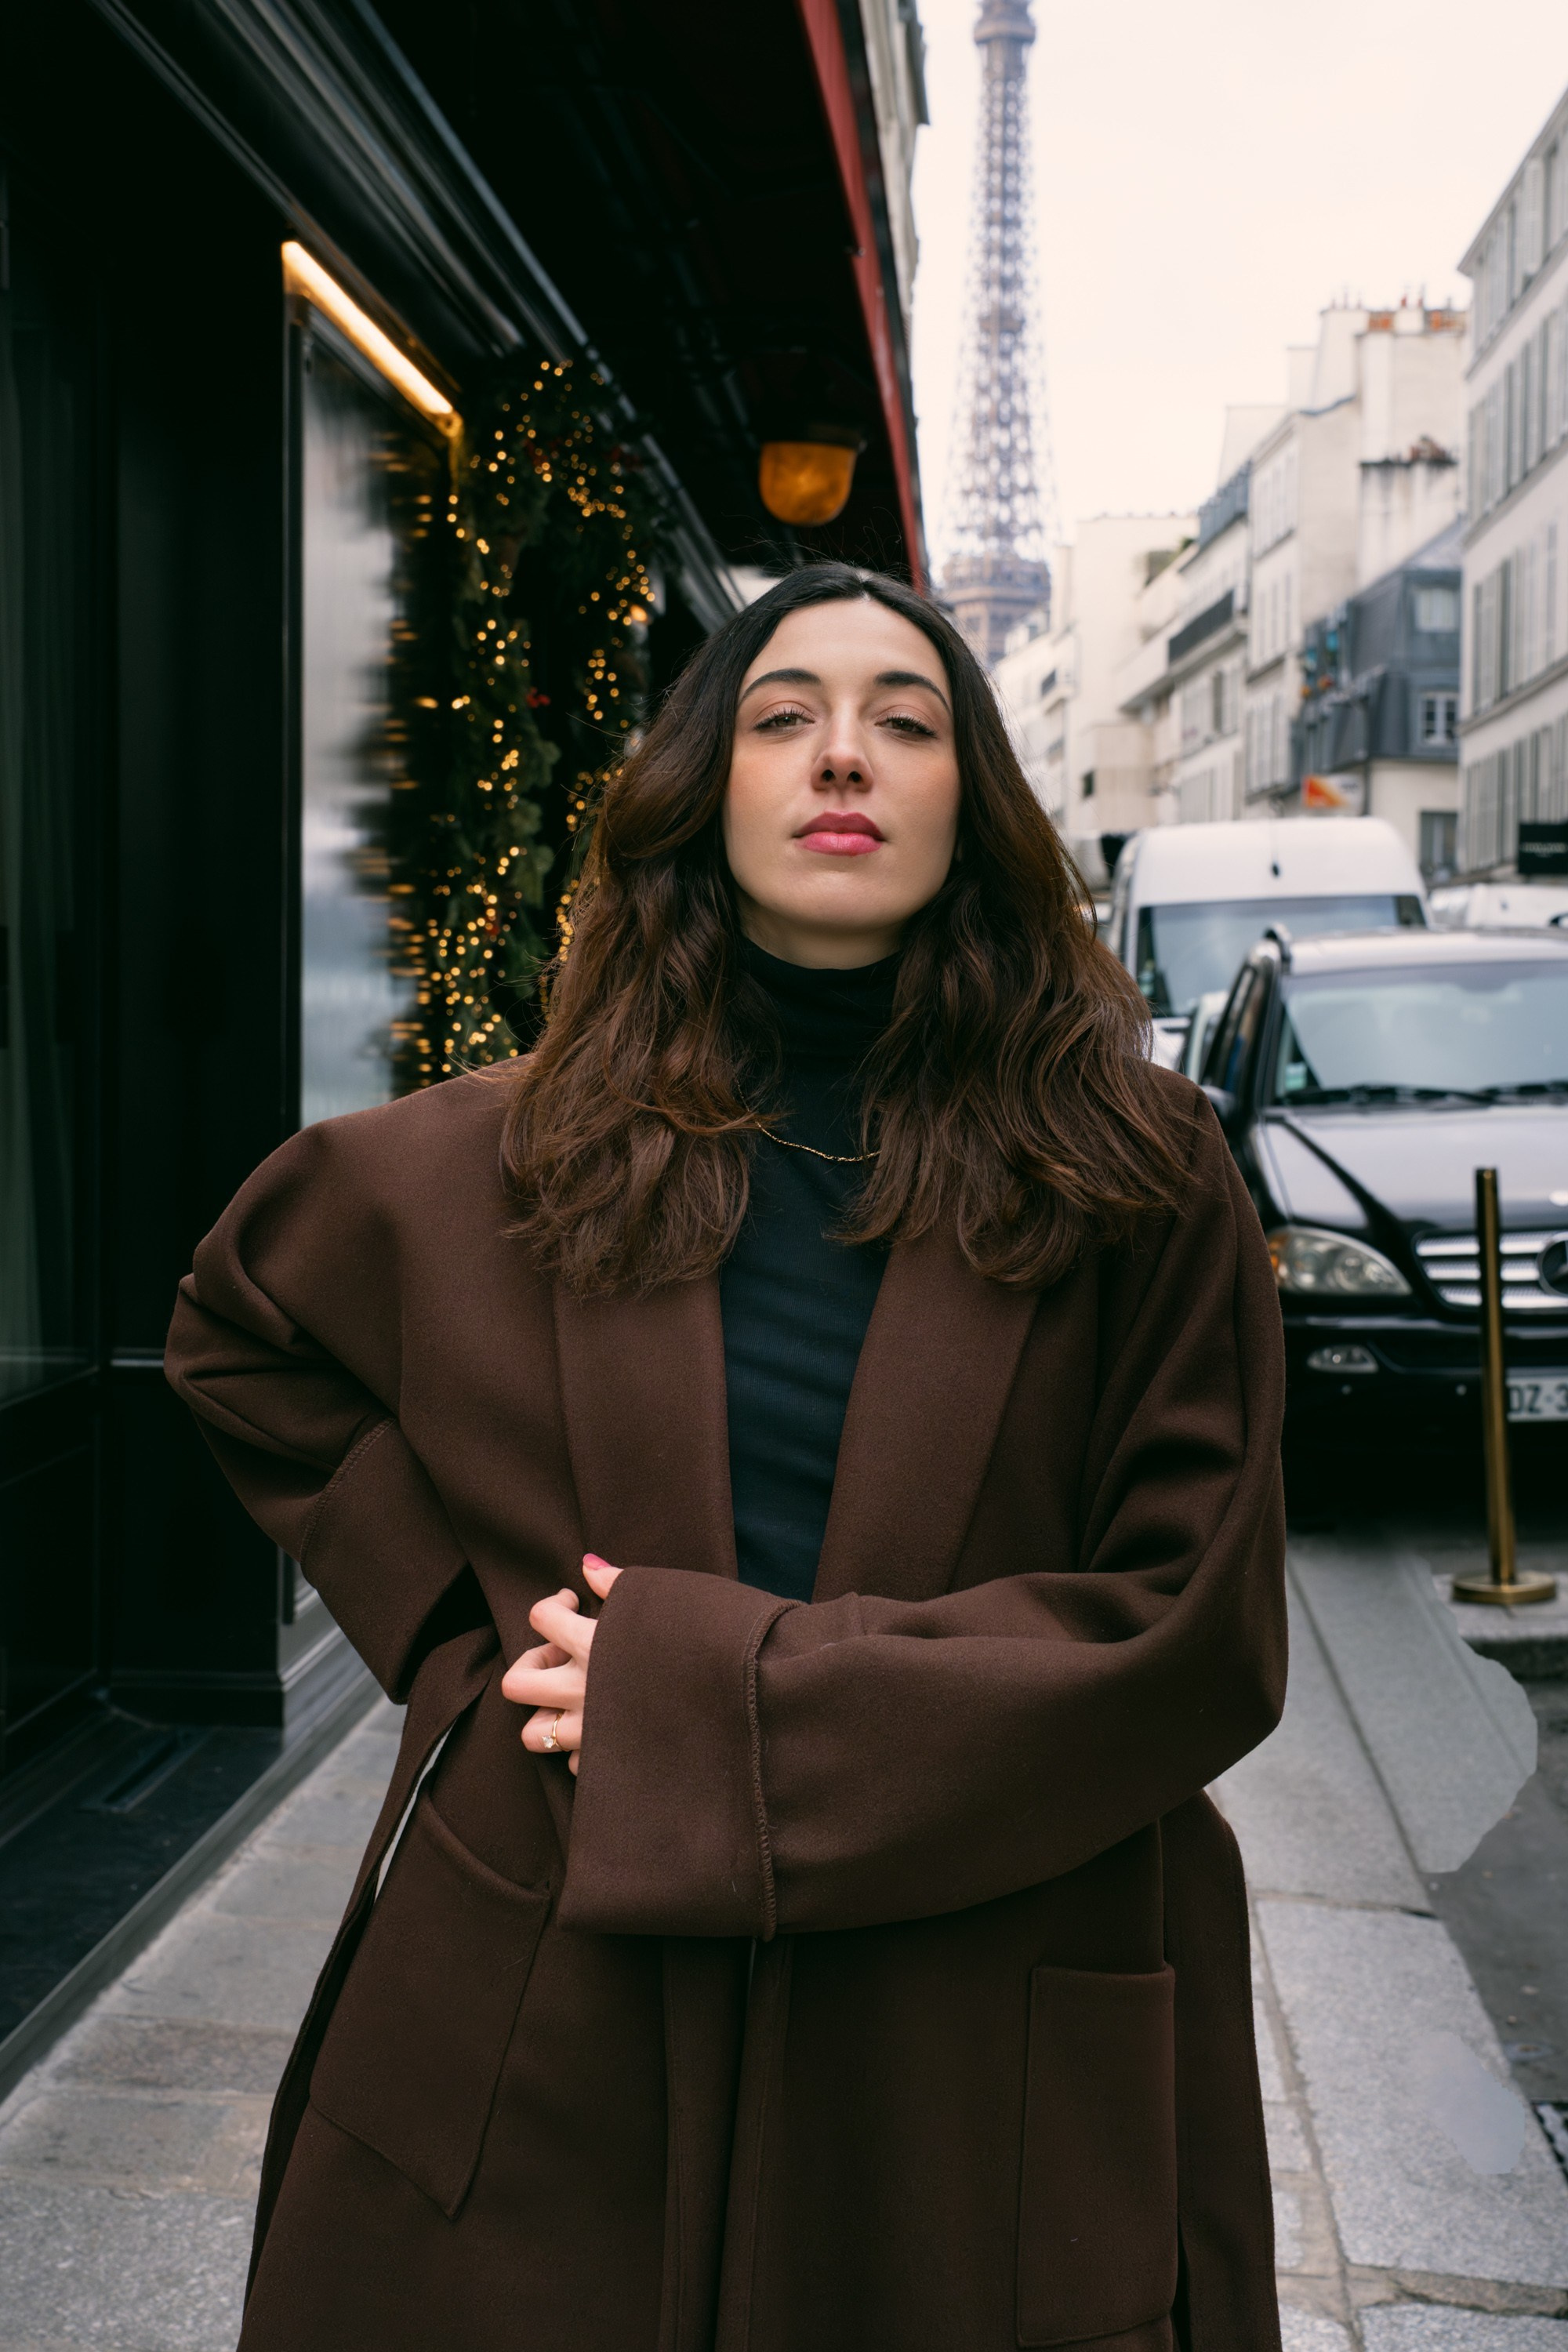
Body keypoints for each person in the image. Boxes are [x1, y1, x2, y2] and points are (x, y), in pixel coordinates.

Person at [166, 562, 1287, 2352]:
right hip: (551, 1987)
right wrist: (468, 1639)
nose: (843, 755)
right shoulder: (512, 1151)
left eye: (904, 723)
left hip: (967, 1994)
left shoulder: (1135, 1177)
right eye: (784, 718)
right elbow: (237, 1331)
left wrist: (700, 1713)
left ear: (971, 802)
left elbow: (1194, 1628)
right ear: (704, 791)